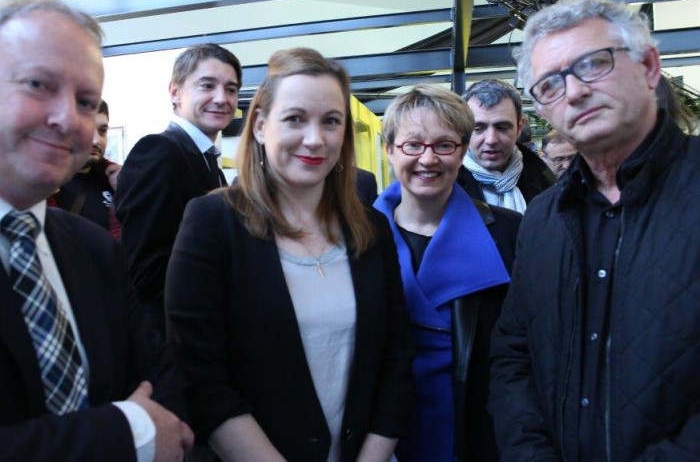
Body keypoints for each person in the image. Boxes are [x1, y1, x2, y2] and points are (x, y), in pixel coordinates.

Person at [0, 0, 193, 461]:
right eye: (37, 85)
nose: (67, 118)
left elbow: (173, 414)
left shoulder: (94, 250)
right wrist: (125, 430)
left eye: (85, 101)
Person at [166, 48, 414, 461]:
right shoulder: (213, 223)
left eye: (330, 122)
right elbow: (201, 375)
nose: (315, 139)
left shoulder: (370, 227)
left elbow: (397, 358)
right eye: (295, 118)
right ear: (261, 126)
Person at [489, 0, 700, 461]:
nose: (575, 92)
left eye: (592, 64)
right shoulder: (542, 219)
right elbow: (513, 355)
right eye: (550, 85)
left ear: (648, 66)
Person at [373, 85, 521, 462]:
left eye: (444, 145)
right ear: (389, 149)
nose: (428, 159)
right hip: (378, 435)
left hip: (474, 433)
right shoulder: (354, 237)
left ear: (462, 150)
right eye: (412, 145)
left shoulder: (511, 233)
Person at [116, 43, 241, 335]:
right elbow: (145, 274)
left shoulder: (205, 159)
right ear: (175, 92)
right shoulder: (160, 152)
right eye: (207, 86)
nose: (221, 98)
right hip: (175, 340)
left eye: (231, 89)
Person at [457, 79, 555, 213]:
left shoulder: (546, 184)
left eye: (502, 127)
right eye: (478, 128)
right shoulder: (444, 188)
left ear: (519, 127)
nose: (491, 140)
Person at [50, 99, 122, 238]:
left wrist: (127, 193)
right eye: (86, 130)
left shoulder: (118, 182)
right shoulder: (43, 186)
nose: (96, 140)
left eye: (102, 131)